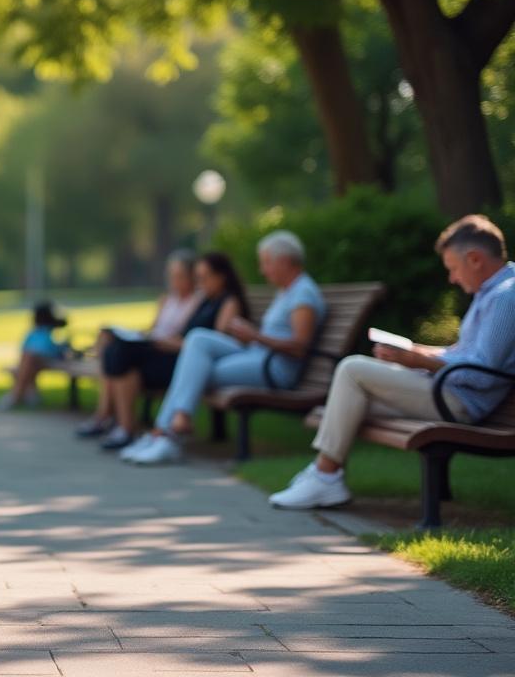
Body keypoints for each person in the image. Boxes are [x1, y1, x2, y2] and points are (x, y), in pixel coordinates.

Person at [269, 215, 515, 509]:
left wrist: (416, 360)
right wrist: (414, 350)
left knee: (351, 369)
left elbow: (482, 375)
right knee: (353, 398)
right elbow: (465, 353)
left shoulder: (505, 297)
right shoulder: (491, 292)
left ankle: (324, 477)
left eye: (452, 268)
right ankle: (324, 475)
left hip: (462, 401)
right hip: (449, 389)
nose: (452, 278)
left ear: (474, 259)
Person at [122, 231, 325, 465]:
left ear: (285, 261)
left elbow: (300, 348)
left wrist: (255, 335)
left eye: (266, 262)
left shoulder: (303, 294)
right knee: (197, 339)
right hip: (258, 355)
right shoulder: (287, 292)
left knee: (196, 369)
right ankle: (170, 428)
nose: (262, 269)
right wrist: (253, 336)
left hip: (276, 369)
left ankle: (167, 435)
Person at [95, 252, 250, 450]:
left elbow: (215, 343)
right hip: (184, 354)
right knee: (117, 350)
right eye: (198, 277)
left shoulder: (225, 302)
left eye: (204, 277)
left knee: (124, 354)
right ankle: (144, 428)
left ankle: (158, 429)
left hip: (192, 360)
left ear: (221, 276)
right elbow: (187, 335)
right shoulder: (205, 301)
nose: (200, 282)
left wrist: (170, 343)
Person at [76, 249, 202, 436]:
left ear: (192, 276)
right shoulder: (167, 299)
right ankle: (108, 418)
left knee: (121, 355)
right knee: (111, 344)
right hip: (151, 348)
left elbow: (187, 338)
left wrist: (155, 340)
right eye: (171, 276)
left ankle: (120, 425)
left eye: (179, 276)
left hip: (170, 355)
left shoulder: (197, 301)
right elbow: (153, 328)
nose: (174, 281)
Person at [0, 301, 71, 410]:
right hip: (33, 360)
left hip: (48, 359)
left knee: (29, 358)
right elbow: (25, 349)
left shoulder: (48, 330)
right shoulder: (34, 332)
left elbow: (53, 348)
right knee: (28, 359)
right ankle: (28, 393)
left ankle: (16, 395)